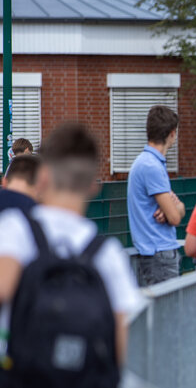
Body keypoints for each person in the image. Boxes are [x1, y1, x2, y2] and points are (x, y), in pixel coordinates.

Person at [0, 124, 142, 383]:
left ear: (42, 178)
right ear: (92, 187)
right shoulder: (108, 254)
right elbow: (120, 351)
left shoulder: (16, 230)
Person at [127, 105, 185, 286]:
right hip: (159, 253)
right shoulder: (152, 166)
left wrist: (173, 207)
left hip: (155, 253)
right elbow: (175, 217)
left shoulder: (146, 162)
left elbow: (176, 211)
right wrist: (173, 207)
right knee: (167, 313)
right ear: (172, 133)